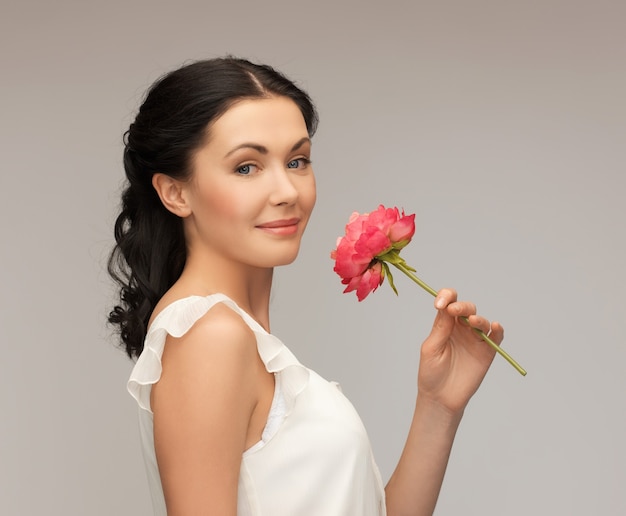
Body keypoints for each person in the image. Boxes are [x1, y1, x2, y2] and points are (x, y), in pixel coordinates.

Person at [108, 57, 503, 516]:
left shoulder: (235, 337)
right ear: (176, 193)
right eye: (246, 167)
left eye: (297, 161)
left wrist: (439, 405)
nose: (287, 191)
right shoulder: (209, 336)